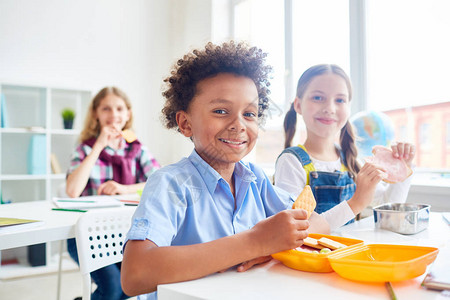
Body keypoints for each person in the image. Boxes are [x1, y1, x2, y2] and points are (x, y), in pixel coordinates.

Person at [121, 41, 330, 299]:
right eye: (221, 111)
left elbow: (316, 225)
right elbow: (135, 274)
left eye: (250, 114)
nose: (238, 124)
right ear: (186, 124)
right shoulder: (170, 184)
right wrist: (254, 242)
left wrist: (268, 248)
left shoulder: (255, 180)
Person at [274, 64, 415, 229]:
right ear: (298, 105)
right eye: (318, 98)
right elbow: (298, 228)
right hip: (312, 255)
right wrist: (356, 203)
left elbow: (388, 205)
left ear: (348, 107)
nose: (329, 108)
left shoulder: (349, 160)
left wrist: (404, 167)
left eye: (340, 100)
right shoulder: (291, 162)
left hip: (348, 253)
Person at [65, 86, 160, 300]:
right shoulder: (85, 149)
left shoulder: (137, 149)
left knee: (132, 285)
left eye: (119, 109)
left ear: (127, 114)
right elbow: (72, 190)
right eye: (106, 109)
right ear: (96, 114)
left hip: (125, 233)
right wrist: (99, 145)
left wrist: (124, 188)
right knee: (113, 288)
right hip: (88, 235)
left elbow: (159, 183)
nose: (114, 115)